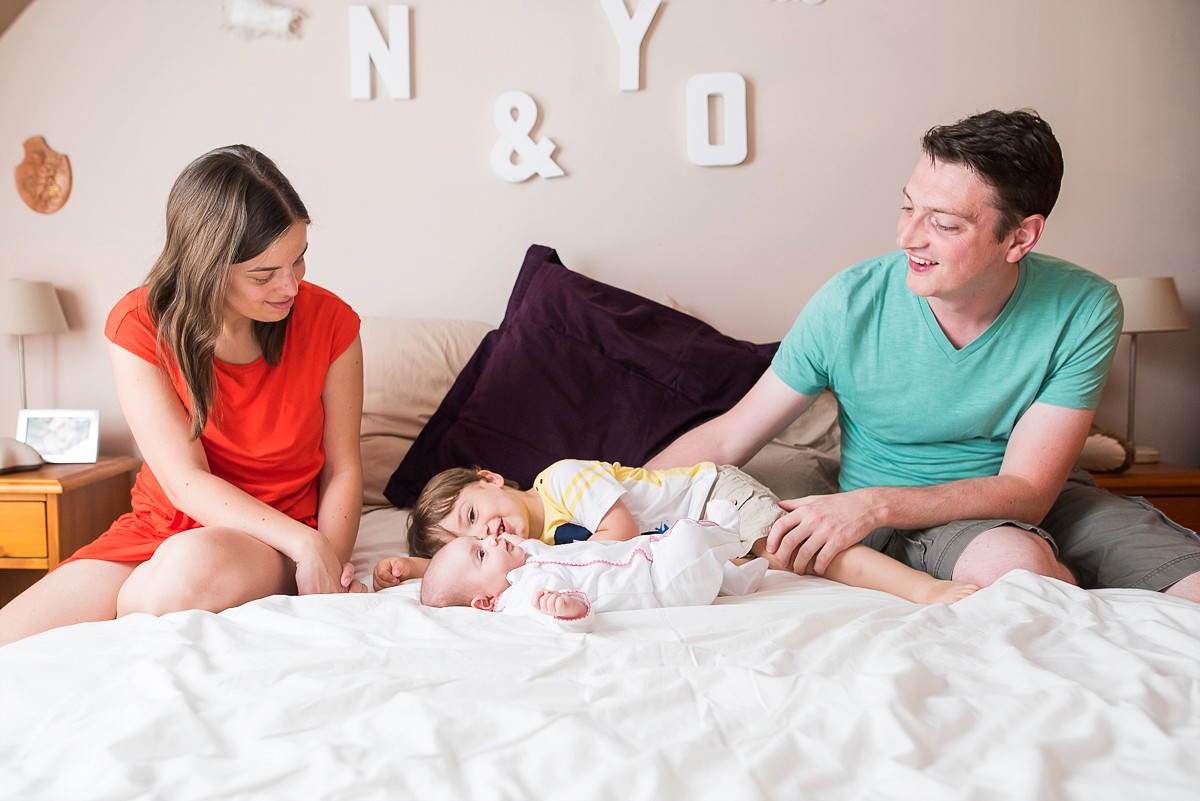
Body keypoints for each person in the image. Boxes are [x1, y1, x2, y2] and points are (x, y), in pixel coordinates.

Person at [647, 109, 1200, 601]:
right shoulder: (849, 302)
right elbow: (727, 439)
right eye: (908, 208)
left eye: (943, 222)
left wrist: (872, 505)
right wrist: (601, 491)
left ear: (1020, 238)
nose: (909, 237)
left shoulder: (1084, 305)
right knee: (1021, 570)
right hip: (922, 520)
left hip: (1049, 498)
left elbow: (1030, 493)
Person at [0, 145, 366, 646]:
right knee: (10, 637)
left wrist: (322, 555)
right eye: (264, 274)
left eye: (299, 260)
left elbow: (342, 467)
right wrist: (307, 544)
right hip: (160, 528)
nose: (291, 285)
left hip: (273, 537)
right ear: (208, 266)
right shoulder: (138, 324)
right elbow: (185, 480)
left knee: (188, 569)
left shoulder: (332, 324)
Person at [375, 459, 978, 605]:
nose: (490, 531)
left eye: (475, 513)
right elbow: (484, 568)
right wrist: (427, 571)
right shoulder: (526, 548)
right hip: (700, 532)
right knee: (786, 564)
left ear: (491, 477)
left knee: (805, 555)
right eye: (472, 537)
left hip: (714, 495)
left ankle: (927, 592)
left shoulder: (558, 482)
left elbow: (620, 530)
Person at [419, 510, 752, 631]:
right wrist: (569, 610)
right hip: (662, 586)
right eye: (480, 553)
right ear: (487, 602)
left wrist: (511, 545)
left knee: (686, 548)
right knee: (689, 536)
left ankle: (734, 579)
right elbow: (552, 618)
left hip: (648, 556)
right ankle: (727, 531)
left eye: (483, 539)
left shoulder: (525, 558)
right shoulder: (524, 596)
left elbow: (531, 547)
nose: (491, 540)